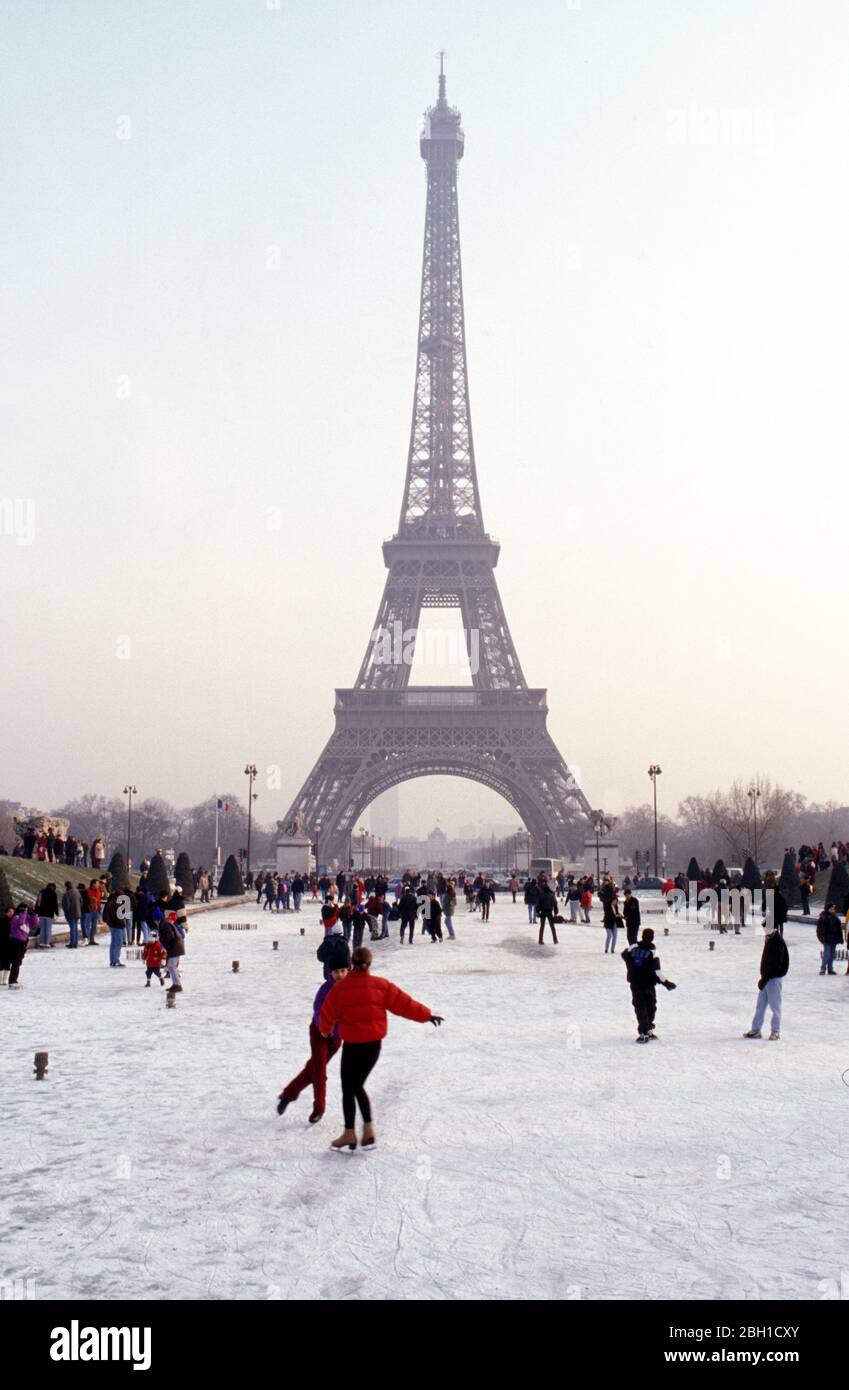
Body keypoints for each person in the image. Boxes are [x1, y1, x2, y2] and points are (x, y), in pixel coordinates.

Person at [318, 947, 443, 1151]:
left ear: (352, 963)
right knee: (354, 1086)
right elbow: (405, 1004)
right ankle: (358, 1132)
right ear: (369, 963)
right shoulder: (381, 985)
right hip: (373, 1047)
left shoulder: (340, 989)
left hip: (353, 1047)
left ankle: (358, 1132)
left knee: (350, 1088)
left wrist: (324, 1031)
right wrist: (427, 1016)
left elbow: (327, 1013)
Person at [277, 964, 349, 1124]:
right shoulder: (325, 989)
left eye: (343, 970)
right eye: (336, 971)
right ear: (331, 972)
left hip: (336, 1039)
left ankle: (288, 1094)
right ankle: (319, 1108)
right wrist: (324, 1027)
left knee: (313, 1069)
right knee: (319, 1071)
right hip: (319, 1034)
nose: (340, 975)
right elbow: (318, 1010)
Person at [621, 928, 676, 1043]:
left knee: (640, 1007)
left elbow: (624, 954)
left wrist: (631, 968)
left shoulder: (633, 948)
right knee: (650, 1006)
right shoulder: (653, 952)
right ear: (652, 937)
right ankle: (646, 1030)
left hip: (635, 983)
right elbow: (657, 972)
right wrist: (666, 982)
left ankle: (645, 1031)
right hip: (648, 984)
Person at [744, 920, 790, 1040]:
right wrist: (764, 977)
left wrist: (766, 977)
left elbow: (776, 963)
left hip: (773, 978)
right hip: (766, 977)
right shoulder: (770, 938)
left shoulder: (777, 941)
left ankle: (775, 1031)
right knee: (760, 1005)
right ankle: (756, 1030)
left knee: (775, 1006)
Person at [7, 903, 35, 988]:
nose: (26, 911)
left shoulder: (27, 918)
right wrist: (23, 913)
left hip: (23, 942)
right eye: (24, 910)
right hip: (15, 941)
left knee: (18, 962)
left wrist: (33, 913)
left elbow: (35, 923)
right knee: (16, 961)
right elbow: (20, 922)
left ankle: (14, 980)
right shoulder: (16, 918)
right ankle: (12, 981)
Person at [158, 911, 185, 993]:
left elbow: (169, 937)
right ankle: (175, 984)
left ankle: (177, 984)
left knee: (172, 966)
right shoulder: (166, 924)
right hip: (174, 947)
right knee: (171, 966)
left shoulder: (165, 925)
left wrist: (167, 945)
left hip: (175, 947)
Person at [816, 903, 843, 976]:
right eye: (831, 909)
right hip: (827, 939)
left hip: (834, 939)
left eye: (833, 909)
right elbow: (819, 930)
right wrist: (822, 938)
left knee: (832, 955)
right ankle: (823, 968)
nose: (832, 910)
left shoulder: (836, 918)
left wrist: (840, 938)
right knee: (827, 954)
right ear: (827, 909)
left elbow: (839, 929)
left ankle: (830, 969)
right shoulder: (823, 918)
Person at [35, 882, 59, 948]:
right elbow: (55, 904)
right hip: (49, 914)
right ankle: (47, 942)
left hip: (41, 913)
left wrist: (36, 911)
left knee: (42, 928)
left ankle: (42, 942)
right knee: (48, 929)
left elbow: (38, 902)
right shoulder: (53, 893)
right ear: (53, 887)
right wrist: (57, 912)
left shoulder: (42, 892)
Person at [61, 881, 82, 949]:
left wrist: (66, 911)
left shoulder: (67, 894)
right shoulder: (77, 892)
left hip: (71, 913)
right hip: (77, 912)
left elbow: (67, 905)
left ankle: (72, 943)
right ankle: (75, 942)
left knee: (72, 928)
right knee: (75, 928)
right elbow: (81, 902)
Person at [0, 903, 13, 985]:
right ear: (6, 912)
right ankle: (0, 979)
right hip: (2, 944)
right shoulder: (2, 921)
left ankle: (5, 980)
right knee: (1, 961)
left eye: (12, 911)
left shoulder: (15, 921)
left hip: (10, 945)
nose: (11, 913)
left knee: (8, 962)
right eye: (9, 911)